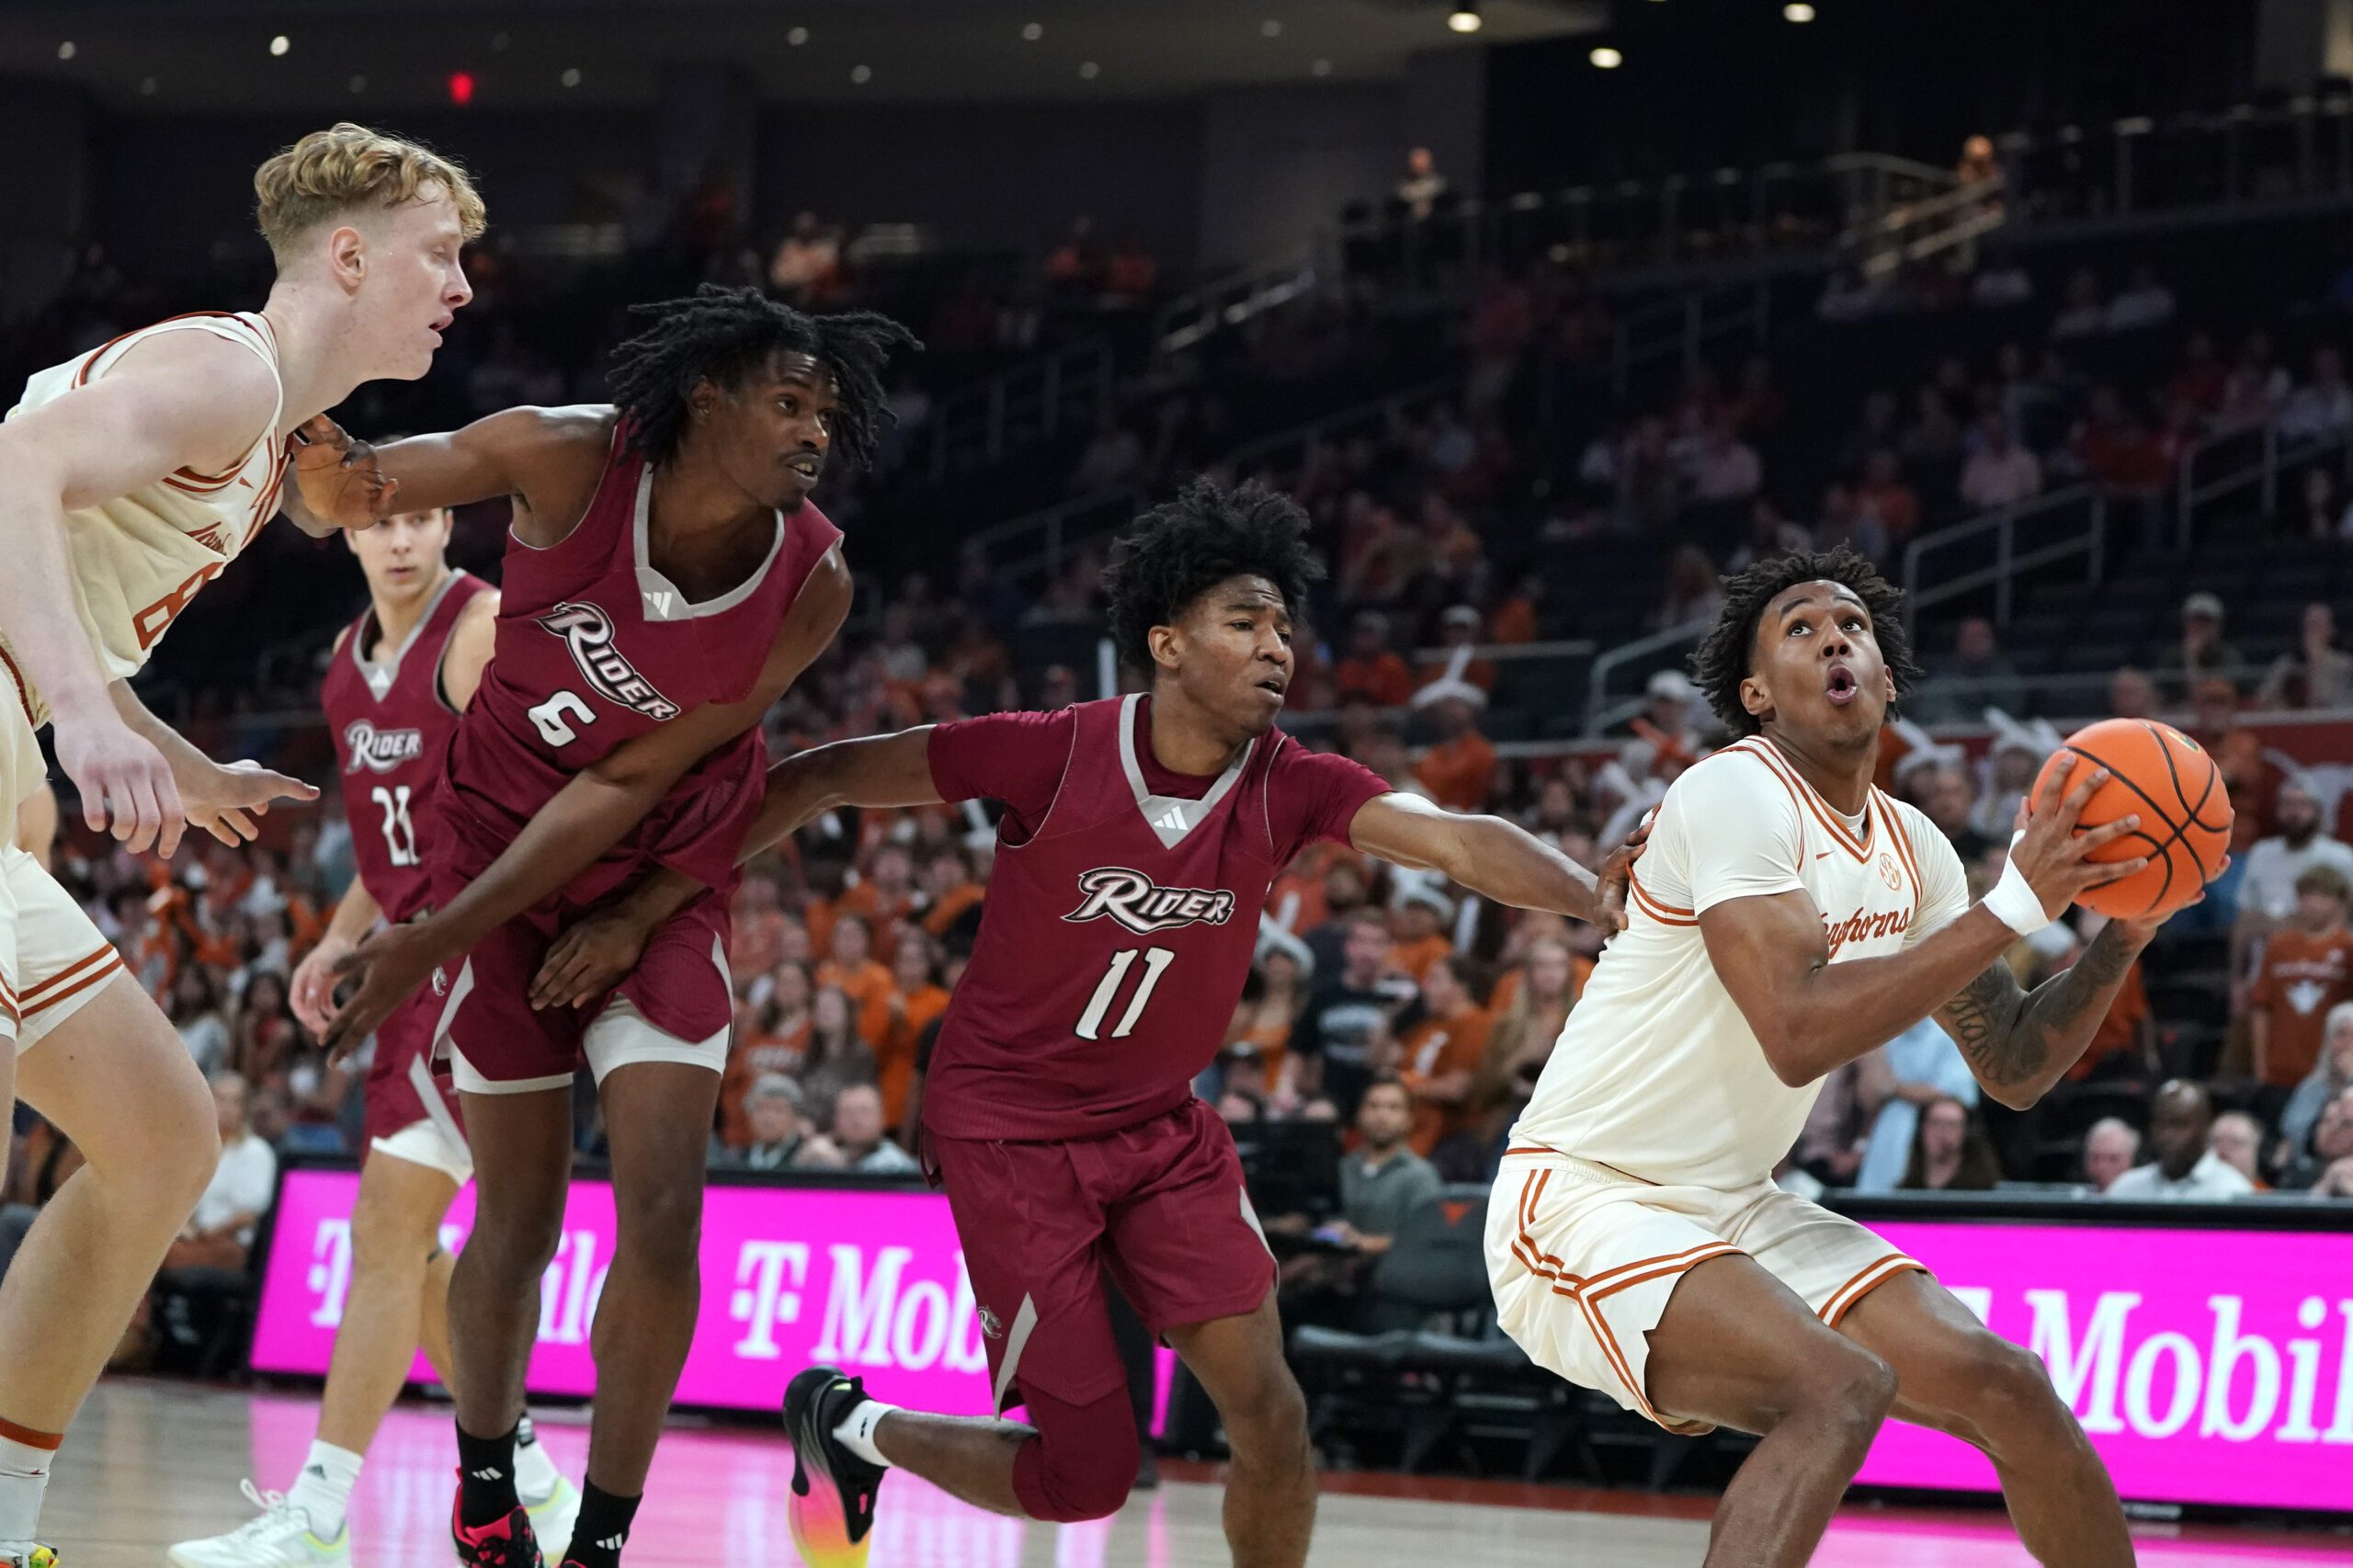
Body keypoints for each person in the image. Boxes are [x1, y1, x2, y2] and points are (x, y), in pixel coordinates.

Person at [529, 479, 1635, 1568]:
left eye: (1284, 627)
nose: (1275, 647)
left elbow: (1450, 837)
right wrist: (644, 907)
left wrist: (1590, 892)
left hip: (1160, 1131)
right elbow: (820, 779)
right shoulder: (1050, 750)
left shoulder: (1292, 781)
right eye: (1243, 622)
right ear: (1164, 641)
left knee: (1273, 1418)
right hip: (1008, 1135)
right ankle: (852, 1423)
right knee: (1086, 1476)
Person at [301, 285, 915, 1568]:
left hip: (660, 871)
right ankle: (483, 1478)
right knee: (515, 1218)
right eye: (788, 402)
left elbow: (637, 779)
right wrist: (302, 432)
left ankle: (602, 1538)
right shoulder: (564, 454)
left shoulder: (817, 579)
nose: (816, 431)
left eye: (829, 412)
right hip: (498, 854)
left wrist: (638, 913)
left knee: (663, 1216)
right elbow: (362, 485)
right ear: (707, 392)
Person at [1492, 547, 2194, 1568]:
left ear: (1888, 676)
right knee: (1838, 1383)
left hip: (1731, 1201)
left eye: (1853, 625)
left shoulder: (1914, 847)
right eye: (1800, 627)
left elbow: (2011, 1061)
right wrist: (2012, 905)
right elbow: (1796, 1032)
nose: (1834, 636)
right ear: (1755, 694)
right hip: (1582, 1193)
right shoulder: (1731, 792)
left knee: (2011, 1385)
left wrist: (2119, 937)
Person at [0, 122, 478, 1566]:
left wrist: (171, 752)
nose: (461, 287)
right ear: (348, 255)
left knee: (159, 1137)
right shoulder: (234, 368)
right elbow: (13, 457)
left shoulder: (267, 452)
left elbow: (65, 582)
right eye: (439, 253)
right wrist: (81, 718)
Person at [170, 505, 583, 1567]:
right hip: (406, 966)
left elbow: (549, 795)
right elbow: (382, 840)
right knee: (415, 1253)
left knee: (385, 1236)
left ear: (446, 521)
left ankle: (317, 1511)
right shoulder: (344, 672)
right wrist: (336, 938)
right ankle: (531, 1467)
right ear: (347, 539)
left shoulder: (483, 626)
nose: (399, 539)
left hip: (479, 960)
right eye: (378, 523)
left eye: (418, 517)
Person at [2247, 866, 2353, 1100]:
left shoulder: (2347, 947)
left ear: (2340, 902)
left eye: (2324, 896)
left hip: (2330, 1072)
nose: (2315, 904)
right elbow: (2261, 1006)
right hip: (2280, 1070)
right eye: (2307, 896)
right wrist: (2260, 1067)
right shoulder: (2278, 946)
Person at [2106, 1081, 2255, 1200]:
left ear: (2204, 1127)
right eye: (2160, 1124)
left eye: (2179, 1125)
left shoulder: (2231, 1191)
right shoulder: (2125, 1189)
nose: (2167, 1135)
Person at [803, 1084, 918, 1176]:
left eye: (865, 1111)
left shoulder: (898, 1167)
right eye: (847, 1112)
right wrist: (804, 1157)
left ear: (882, 1119)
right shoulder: (823, 1157)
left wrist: (840, 1169)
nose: (856, 1119)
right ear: (835, 1121)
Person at [1896, 1096, 2001, 1191]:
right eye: (1935, 1123)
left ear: (1967, 1132)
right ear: (1922, 1129)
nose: (1942, 1132)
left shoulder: (1982, 1191)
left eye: (1951, 1125)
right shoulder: (1906, 1190)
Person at [2208, 1110, 2268, 1188]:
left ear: (2256, 1150)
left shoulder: (2268, 1197)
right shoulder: (2191, 1193)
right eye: (2216, 1141)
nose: (2223, 1152)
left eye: (2235, 1142)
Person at [2080, 1118, 2140, 1192]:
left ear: (2132, 1160)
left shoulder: (2151, 1200)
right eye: (2095, 1158)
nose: (2102, 1167)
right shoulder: (2075, 1198)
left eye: (2113, 1159)